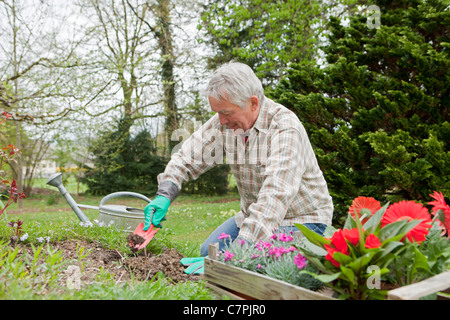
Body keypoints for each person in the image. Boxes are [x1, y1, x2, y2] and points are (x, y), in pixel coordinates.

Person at [144, 61, 333, 259]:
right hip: (253, 217)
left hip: (304, 221)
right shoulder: (226, 123)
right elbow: (188, 157)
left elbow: (275, 196)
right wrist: (165, 193)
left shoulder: (285, 128)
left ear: (253, 103)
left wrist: (238, 252)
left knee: (253, 265)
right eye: (217, 112)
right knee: (208, 254)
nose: (221, 120)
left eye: (226, 113)